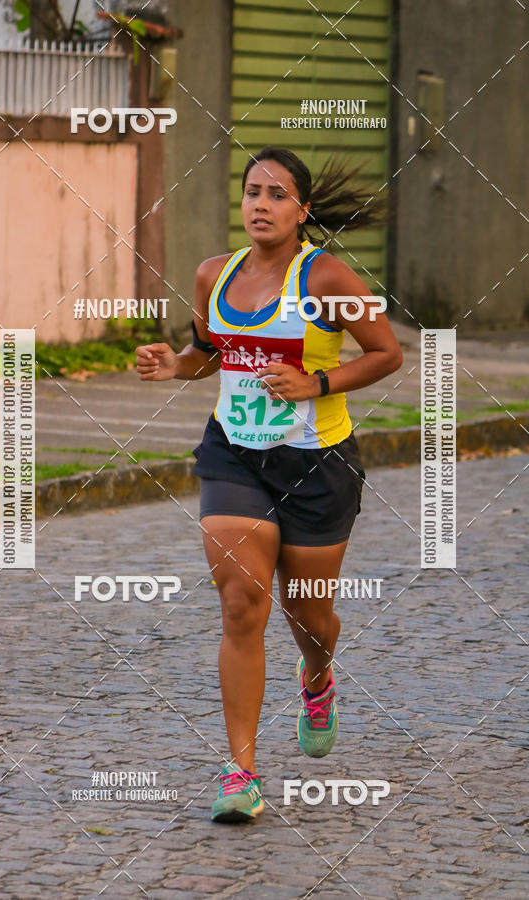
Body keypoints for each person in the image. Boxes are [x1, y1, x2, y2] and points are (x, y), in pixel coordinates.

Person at [136, 146, 403, 824]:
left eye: (277, 194)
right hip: (235, 456)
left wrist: (317, 383)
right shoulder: (211, 275)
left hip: (318, 465)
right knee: (242, 603)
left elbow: (387, 352)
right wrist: (177, 363)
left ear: (303, 210)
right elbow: (209, 352)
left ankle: (316, 676)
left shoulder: (330, 279)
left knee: (308, 616)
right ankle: (241, 772)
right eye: (252, 191)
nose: (260, 203)